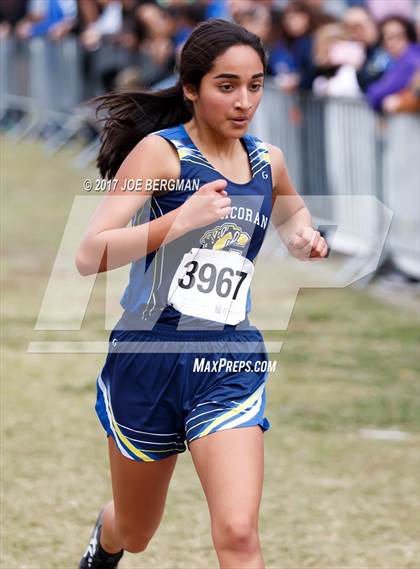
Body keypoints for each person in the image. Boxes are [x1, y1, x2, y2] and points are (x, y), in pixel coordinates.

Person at [75, 18, 328, 569]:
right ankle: (108, 533)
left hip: (228, 354)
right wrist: (179, 220)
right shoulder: (161, 154)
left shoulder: (267, 160)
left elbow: (291, 212)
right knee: (137, 530)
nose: (244, 101)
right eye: (227, 85)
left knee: (238, 534)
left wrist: (304, 236)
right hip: (150, 355)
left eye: (255, 85)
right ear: (191, 88)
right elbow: (87, 254)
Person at [367, 15, 420, 111]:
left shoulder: (411, 59)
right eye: (389, 38)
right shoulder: (386, 60)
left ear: (409, 37)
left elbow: (380, 93)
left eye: (399, 36)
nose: (393, 43)